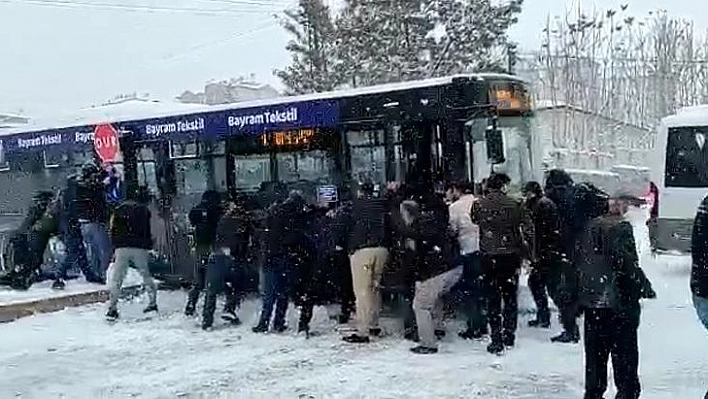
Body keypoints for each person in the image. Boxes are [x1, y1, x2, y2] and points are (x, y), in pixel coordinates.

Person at [576, 192, 655, 399]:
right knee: (625, 358)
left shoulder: (590, 226)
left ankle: (593, 393)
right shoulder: (621, 227)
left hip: (593, 301)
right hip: (618, 302)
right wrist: (643, 286)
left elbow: (582, 262)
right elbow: (626, 262)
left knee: (595, 358)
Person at [472, 173, 533, 354]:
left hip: (488, 256)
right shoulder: (515, 204)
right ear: (504, 186)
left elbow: (475, 220)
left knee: (492, 298)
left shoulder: (479, 204)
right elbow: (527, 228)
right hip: (509, 255)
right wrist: (527, 253)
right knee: (510, 297)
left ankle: (496, 337)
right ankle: (509, 334)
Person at [408, 187, 460, 354]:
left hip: (436, 269)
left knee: (421, 305)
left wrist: (419, 277)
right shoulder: (441, 220)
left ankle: (428, 343)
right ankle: (437, 328)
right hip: (454, 266)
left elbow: (419, 256)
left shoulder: (420, 225)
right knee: (435, 297)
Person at [253, 190, 310, 333]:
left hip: (270, 257)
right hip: (286, 258)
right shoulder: (295, 216)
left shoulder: (273, 213)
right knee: (283, 294)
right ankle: (278, 323)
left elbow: (262, 235)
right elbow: (297, 237)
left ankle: (263, 323)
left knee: (269, 295)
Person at [342, 182, 391, 343]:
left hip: (362, 250)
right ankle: (373, 324)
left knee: (362, 291)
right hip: (382, 249)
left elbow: (344, 226)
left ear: (360, 191)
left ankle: (362, 331)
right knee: (375, 288)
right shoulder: (382, 204)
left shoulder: (355, 206)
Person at [106, 186, 157, 320]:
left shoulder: (118, 210)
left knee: (117, 279)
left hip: (121, 248)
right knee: (146, 275)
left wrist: (116, 245)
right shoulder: (144, 210)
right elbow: (146, 231)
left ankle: (112, 307)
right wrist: (148, 245)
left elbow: (112, 230)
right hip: (139, 247)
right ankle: (152, 302)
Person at [200, 199, 252, 330]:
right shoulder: (243, 221)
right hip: (232, 258)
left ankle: (207, 320)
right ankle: (229, 308)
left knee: (211, 291)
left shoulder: (222, 220)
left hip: (216, 255)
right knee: (235, 285)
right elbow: (245, 241)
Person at [446, 181, 487, 340]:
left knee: (470, 290)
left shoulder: (455, 208)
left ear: (456, 190)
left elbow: (452, 230)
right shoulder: (480, 203)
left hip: (468, 250)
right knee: (482, 289)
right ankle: (483, 322)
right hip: (484, 249)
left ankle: (474, 324)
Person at [544, 169, 581, 343]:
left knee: (561, 291)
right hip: (580, 250)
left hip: (563, 250)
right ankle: (574, 317)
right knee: (571, 289)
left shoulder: (557, 197)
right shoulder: (576, 195)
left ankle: (571, 329)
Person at [523, 181, 562, 329]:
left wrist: (536, 254)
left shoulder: (540, 206)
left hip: (544, 252)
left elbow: (538, 232)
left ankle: (552, 316)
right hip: (548, 252)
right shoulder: (545, 204)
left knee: (540, 284)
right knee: (542, 284)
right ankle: (546, 316)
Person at [184, 190, 224, 316]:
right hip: (214, 247)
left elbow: (191, 226)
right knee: (212, 279)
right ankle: (208, 310)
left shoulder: (195, 210)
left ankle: (191, 304)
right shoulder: (217, 211)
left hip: (199, 247)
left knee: (198, 278)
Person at [74, 163, 112, 280]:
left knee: (94, 251)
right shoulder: (89, 188)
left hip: (84, 223)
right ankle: (104, 274)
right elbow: (97, 188)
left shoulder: (79, 186)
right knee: (104, 249)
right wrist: (107, 176)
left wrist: (104, 172)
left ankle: (96, 274)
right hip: (94, 222)